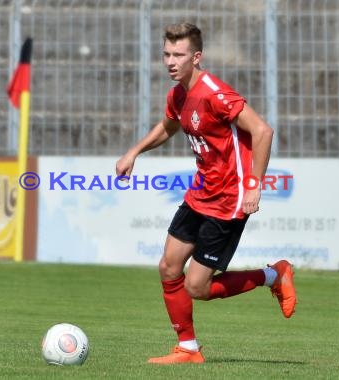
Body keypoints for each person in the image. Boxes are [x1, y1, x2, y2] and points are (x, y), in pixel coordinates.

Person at [115, 22, 296, 364]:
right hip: (200, 192)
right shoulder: (178, 94)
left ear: (196, 57)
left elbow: (262, 131)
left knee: (196, 288)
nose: (170, 61)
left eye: (178, 55)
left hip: (229, 199)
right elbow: (169, 125)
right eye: (166, 54)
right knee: (169, 267)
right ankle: (188, 349)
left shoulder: (214, 92)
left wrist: (253, 186)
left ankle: (275, 275)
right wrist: (134, 152)